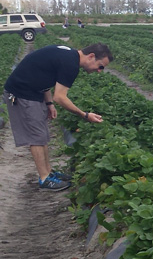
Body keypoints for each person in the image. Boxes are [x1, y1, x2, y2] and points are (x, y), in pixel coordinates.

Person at [1, 43, 112, 191]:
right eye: (100, 66)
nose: (99, 71)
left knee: (42, 134)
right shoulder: (70, 64)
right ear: (91, 56)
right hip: (22, 93)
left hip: (34, 91)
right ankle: (45, 179)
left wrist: (49, 103)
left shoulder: (69, 55)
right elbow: (60, 97)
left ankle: (49, 172)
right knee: (36, 136)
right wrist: (84, 115)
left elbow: (44, 74)